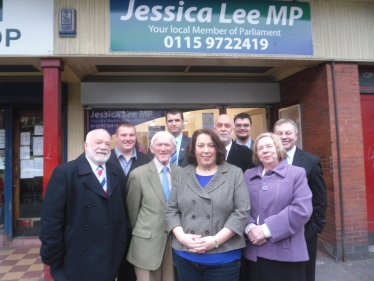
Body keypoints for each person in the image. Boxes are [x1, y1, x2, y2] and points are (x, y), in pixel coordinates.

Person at [40, 129, 128, 281]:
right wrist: (52, 258)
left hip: (109, 260)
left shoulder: (115, 172)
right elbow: (51, 221)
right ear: (86, 145)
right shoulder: (65, 173)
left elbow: (122, 213)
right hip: (75, 261)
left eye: (108, 144)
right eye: (98, 142)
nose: (104, 147)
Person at [166, 128, 250, 281]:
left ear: (218, 148)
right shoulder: (183, 174)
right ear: (194, 149)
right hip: (185, 256)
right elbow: (171, 209)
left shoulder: (234, 173)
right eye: (201, 145)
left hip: (223, 258)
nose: (206, 150)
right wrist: (182, 237)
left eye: (211, 145)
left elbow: (242, 211)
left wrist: (216, 240)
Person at [243, 132, 312, 281]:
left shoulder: (296, 173)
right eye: (260, 148)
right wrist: (250, 228)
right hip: (253, 251)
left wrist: (266, 230)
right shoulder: (247, 175)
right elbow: (239, 206)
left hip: (286, 253)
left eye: (269, 146)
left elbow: (302, 209)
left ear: (278, 148)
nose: (265, 150)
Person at [274, 118, 328, 281]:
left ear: (296, 135)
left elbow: (320, 199)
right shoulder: (267, 160)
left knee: (303, 274)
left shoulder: (311, 161)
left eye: (288, 133)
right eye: (279, 133)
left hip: (304, 232)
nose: (284, 137)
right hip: (274, 231)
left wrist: (314, 229)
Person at [126, 131, 181, 281]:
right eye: (159, 145)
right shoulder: (138, 175)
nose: (163, 148)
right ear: (152, 148)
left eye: (167, 145)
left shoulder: (182, 174)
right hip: (146, 246)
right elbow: (132, 212)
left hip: (175, 244)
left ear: (174, 148)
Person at [108, 122, 150, 281]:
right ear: (116, 137)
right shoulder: (104, 159)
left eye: (131, 135)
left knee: (131, 270)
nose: (128, 138)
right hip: (110, 224)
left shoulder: (147, 160)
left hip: (138, 224)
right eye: (123, 135)